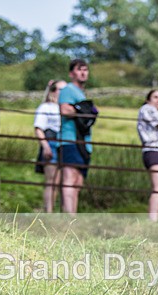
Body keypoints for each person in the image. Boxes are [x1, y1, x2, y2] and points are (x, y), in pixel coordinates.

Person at [58, 58, 95, 215]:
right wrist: (83, 110)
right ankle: (68, 216)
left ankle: (73, 216)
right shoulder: (67, 89)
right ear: (71, 73)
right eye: (79, 69)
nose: (83, 72)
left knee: (78, 181)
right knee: (69, 177)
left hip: (84, 142)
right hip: (69, 139)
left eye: (85, 69)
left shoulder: (81, 92)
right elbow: (65, 110)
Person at [34, 79, 66, 213]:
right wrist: (45, 146)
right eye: (61, 89)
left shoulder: (65, 107)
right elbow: (38, 129)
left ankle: (54, 211)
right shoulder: (45, 107)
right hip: (51, 143)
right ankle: (48, 211)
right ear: (53, 91)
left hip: (63, 144)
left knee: (59, 182)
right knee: (51, 181)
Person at [137, 89, 158, 222]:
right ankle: (153, 219)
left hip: (156, 150)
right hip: (153, 150)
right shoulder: (147, 109)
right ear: (148, 99)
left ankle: (157, 217)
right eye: (156, 97)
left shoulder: (153, 111)